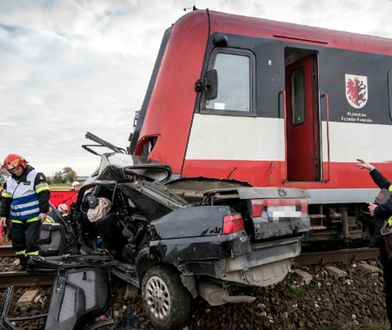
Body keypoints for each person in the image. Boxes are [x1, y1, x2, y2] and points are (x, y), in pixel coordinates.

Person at [357, 158, 392, 325]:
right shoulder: (388, 189)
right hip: (387, 240)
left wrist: (377, 209)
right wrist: (372, 170)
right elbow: (387, 185)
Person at [0, 153, 50, 270]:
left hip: (33, 217)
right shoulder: (9, 181)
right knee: (18, 244)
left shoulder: (36, 175)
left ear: (23, 164)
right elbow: (5, 200)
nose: (16, 171)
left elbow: (44, 194)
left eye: (17, 168)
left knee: (31, 243)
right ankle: (24, 264)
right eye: (13, 170)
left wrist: (43, 211)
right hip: (16, 218)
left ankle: (33, 265)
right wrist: (3, 215)